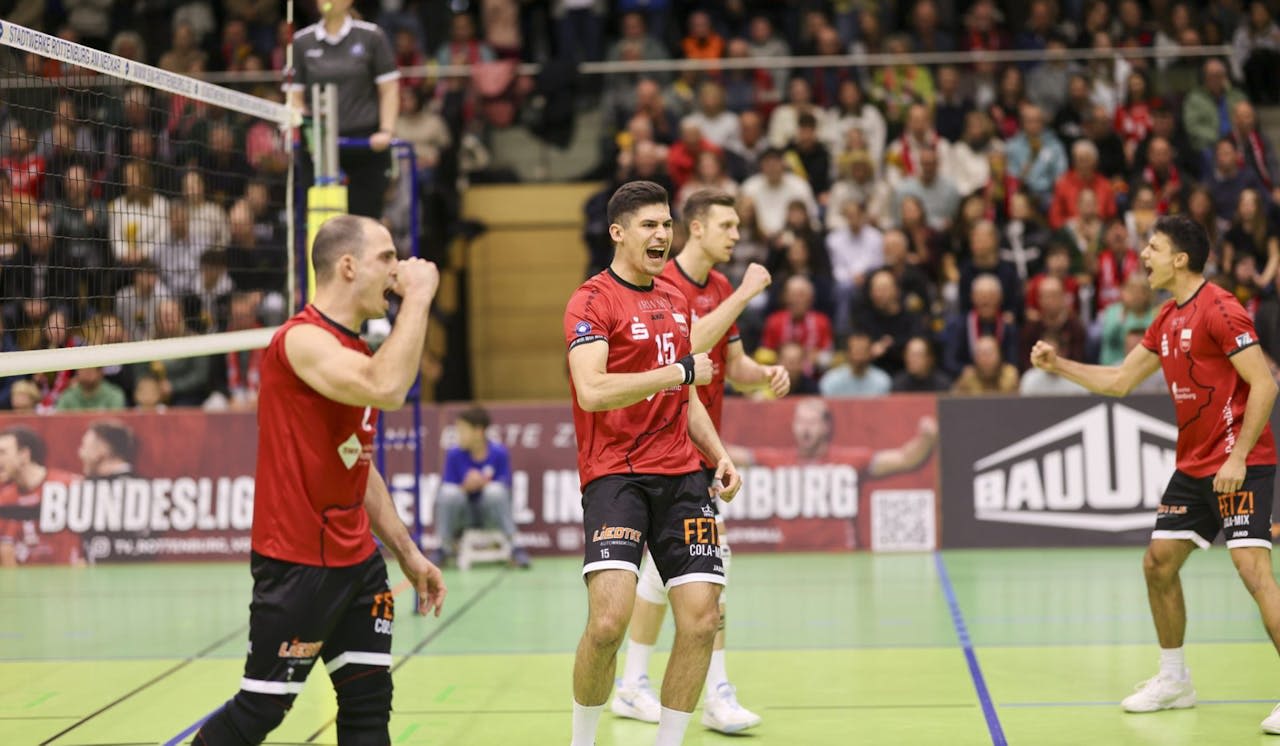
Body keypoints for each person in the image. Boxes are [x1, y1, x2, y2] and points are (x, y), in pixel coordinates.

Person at [196, 215, 446, 744]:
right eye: (386, 257)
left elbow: (357, 457)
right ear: (348, 266)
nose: (398, 269)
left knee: (368, 703)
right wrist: (419, 297)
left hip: (357, 563)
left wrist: (405, 548)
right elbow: (388, 388)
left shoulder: (353, 349)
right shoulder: (303, 341)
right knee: (259, 712)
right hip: (297, 565)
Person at [1030, 215, 1280, 734]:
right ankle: (1174, 680)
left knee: (1254, 573)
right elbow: (1120, 381)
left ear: (1180, 258)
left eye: (1153, 246)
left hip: (1240, 464)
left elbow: (1265, 384)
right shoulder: (1166, 318)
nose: (1144, 254)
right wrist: (1060, 366)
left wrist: (1237, 459)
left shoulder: (1222, 308)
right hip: (1194, 466)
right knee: (1157, 564)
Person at [563, 181, 743, 746]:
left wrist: (719, 453)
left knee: (700, 618)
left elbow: (683, 400)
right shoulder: (591, 300)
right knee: (608, 623)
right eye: (649, 225)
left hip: (683, 474)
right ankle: (582, 741)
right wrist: (680, 371)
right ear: (618, 233)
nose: (661, 234)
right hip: (615, 475)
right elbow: (592, 390)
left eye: (666, 224)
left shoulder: (675, 300)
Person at [611, 190, 789, 735]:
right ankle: (715, 691)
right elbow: (686, 347)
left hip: (697, 447)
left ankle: (634, 683)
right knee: (711, 570)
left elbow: (729, 365)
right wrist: (746, 294)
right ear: (695, 228)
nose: (736, 235)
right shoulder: (661, 280)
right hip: (657, 449)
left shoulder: (714, 285)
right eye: (727, 225)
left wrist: (766, 375)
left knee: (662, 577)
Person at [288, 0, 400, 219]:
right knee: (320, 221)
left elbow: (389, 90)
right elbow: (295, 96)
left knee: (364, 220)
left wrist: (386, 131)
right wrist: (307, 126)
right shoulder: (302, 41)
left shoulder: (372, 36)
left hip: (365, 144)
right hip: (318, 147)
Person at [432, 405, 529, 568]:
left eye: (462, 431)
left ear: (478, 431)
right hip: (464, 516)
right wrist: (466, 486)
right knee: (448, 493)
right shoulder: (454, 454)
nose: (459, 436)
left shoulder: (499, 453)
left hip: (489, 515)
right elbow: (449, 490)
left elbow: (505, 490)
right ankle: (444, 547)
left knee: (495, 492)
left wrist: (482, 483)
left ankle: (514, 546)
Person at [0, 426, 83, 566]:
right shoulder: (5, 499)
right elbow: (6, 549)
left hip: (70, 581)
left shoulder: (69, 486)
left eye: (2, 452)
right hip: (28, 584)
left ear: (24, 455)